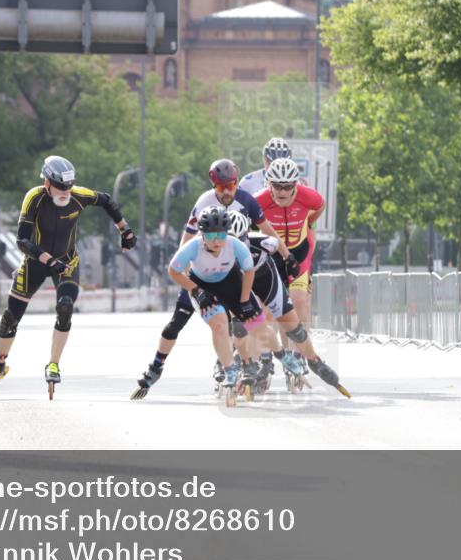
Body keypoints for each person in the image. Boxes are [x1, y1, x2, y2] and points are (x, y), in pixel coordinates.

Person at [0, 156, 136, 400]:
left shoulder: (79, 195)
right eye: (60, 187)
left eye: (69, 187)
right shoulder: (34, 197)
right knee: (11, 316)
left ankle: (53, 364)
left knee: (65, 307)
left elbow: (107, 200)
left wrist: (125, 230)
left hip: (67, 262)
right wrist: (47, 260)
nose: (66, 192)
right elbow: (22, 241)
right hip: (36, 262)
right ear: (47, 183)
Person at [132, 159, 288, 399]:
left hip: (232, 268)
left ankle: (244, 364)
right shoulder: (204, 202)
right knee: (177, 322)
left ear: (237, 182)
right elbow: (187, 241)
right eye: (221, 187)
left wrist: (287, 255)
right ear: (213, 185)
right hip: (200, 273)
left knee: (240, 319)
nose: (227, 191)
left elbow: (267, 229)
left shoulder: (246, 199)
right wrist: (191, 284)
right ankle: (156, 367)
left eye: (231, 185)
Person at [226, 210, 349, 397]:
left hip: (266, 279)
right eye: (230, 241)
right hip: (240, 283)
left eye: (241, 240)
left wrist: (289, 259)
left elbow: (280, 245)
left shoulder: (262, 241)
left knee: (294, 329)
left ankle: (314, 360)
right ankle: (246, 363)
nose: (236, 246)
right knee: (240, 326)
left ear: (247, 235)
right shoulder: (213, 249)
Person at [165, 205, 264, 395]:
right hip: (204, 288)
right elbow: (173, 271)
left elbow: (249, 271)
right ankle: (229, 370)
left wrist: (245, 301)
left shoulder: (235, 244)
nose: (216, 240)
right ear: (202, 234)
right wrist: (195, 290)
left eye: (221, 235)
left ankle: (252, 361)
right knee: (219, 324)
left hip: (230, 283)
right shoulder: (193, 246)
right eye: (210, 236)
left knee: (253, 323)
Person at [254, 157, 325, 371]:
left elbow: (320, 206)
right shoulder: (258, 200)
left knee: (299, 300)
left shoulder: (309, 197)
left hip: (298, 253)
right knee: (266, 309)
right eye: (277, 186)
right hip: (272, 254)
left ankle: (299, 353)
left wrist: (309, 222)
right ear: (269, 184)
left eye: (287, 187)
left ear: (296, 184)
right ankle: (265, 357)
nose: (283, 192)